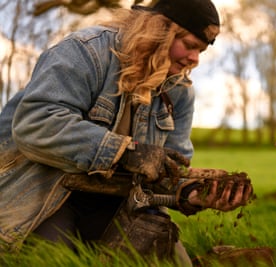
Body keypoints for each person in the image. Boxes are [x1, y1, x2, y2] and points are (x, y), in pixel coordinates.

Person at [0, 0, 252, 265]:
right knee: (54, 260)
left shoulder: (179, 90)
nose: (195, 60)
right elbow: (35, 124)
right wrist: (122, 152)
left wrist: (191, 192)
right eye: (189, 45)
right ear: (159, 31)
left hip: (121, 204)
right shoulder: (85, 51)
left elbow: (169, 168)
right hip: (45, 197)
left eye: (200, 51)